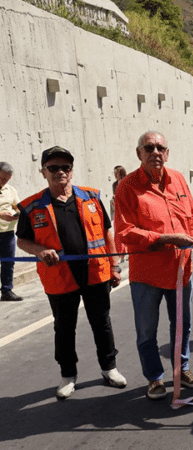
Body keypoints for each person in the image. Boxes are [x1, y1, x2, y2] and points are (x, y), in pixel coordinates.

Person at [16, 146, 126, 399]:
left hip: (96, 274)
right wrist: (40, 250)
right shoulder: (32, 207)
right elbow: (22, 241)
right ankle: (68, 375)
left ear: (72, 171)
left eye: (65, 167)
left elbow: (106, 234)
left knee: (102, 323)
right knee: (64, 328)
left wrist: (115, 266)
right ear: (43, 172)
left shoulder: (91, 197)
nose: (60, 172)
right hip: (59, 277)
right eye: (53, 168)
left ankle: (109, 368)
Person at [114, 131, 193, 400]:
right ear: (139, 153)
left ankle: (182, 369)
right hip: (147, 275)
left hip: (181, 270)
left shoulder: (177, 178)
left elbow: (192, 214)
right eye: (149, 147)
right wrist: (166, 239)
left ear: (167, 153)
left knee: (182, 325)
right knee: (146, 331)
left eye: (160, 148)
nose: (156, 152)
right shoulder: (127, 187)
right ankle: (155, 378)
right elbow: (124, 231)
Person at [0, 162, 22, 302]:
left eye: (7, 179)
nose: (4, 182)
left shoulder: (10, 190)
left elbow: (16, 205)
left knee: (8, 263)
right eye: (2, 178)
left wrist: (17, 212)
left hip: (7, 233)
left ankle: (7, 291)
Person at [110, 165, 127, 259]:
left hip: (127, 210)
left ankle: (126, 251)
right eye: (114, 173)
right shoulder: (114, 184)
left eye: (116, 173)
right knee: (118, 230)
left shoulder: (127, 181)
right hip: (118, 209)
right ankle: (121, 253)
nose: (115, 175)